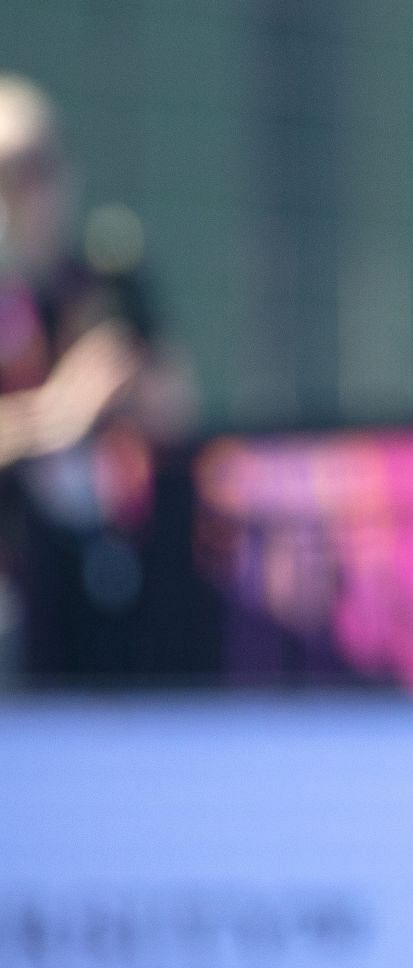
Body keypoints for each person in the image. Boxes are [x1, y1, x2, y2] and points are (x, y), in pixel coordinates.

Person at [0, 73, 195, 678]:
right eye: (9, 170)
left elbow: (181, 406)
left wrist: (132, 385)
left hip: (117, 590)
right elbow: (53, 418)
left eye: (41, 167)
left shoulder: (110, 284)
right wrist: (60, 412)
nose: (26, 192)